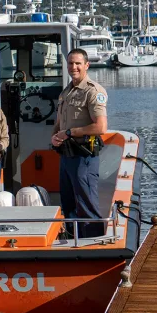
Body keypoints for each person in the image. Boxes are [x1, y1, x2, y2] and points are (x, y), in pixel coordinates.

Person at [52, 48, 108, 238]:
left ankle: (94, 243)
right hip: (66, 157)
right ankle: (73, 240)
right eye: (70, 63)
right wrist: (55, 136)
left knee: (86, 203)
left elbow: (100, 127)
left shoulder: (93, 91)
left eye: (77, 63)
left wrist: (70, 132)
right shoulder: (65, 93)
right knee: (68, 203)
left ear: (86, 65)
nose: (73, 67)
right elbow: (59, 123)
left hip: (84, 156)